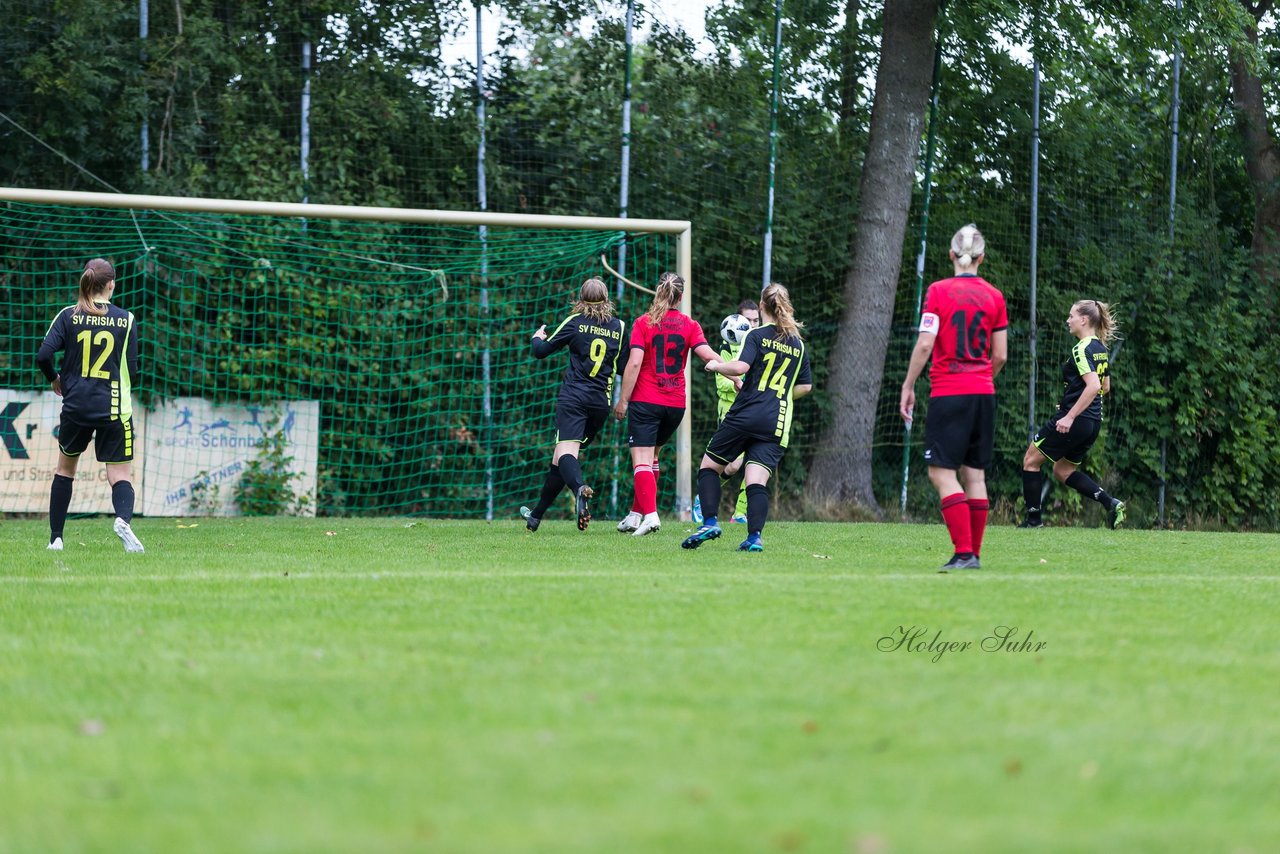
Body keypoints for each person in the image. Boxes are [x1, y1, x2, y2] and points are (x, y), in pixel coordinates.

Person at [899, 225, 1008, 572]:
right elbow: (1001, 355)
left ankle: (963, 553)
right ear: (982, 258)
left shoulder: (937, 291)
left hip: (950, 391)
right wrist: (981, 379)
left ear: (951, 255)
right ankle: (973, 555)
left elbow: (927, 342)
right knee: (974, 476)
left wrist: (909, 384)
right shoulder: (995, 296)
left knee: (941, 473)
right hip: (983, 393)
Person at [682, 283, 812, 553]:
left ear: (762, 306)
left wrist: (717, 365)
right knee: (756, 481)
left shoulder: (756, 335)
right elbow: (806, 387)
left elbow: (740, 367)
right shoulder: (797, 344)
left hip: (746, 414)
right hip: (777, 422)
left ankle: (708, 522)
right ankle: (754, 537)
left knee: (709, 467)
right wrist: (782, 397)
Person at [35, 258, 144, 553]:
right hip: (113, 408)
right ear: (111, 284)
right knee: (120, 476)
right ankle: (122, 519)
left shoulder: (69, 315)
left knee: (65, 470)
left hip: (76, 407)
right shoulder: (126, 319)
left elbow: (43, 356)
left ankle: (56, 538)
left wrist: (55, 379)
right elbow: (132, 371)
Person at [613, 272, 719, 536]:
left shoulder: (643, 322)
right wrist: (736, 374)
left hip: (647, 401)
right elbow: (707, 355)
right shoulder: (690, 325)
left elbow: (635, 363)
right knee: (654, 458)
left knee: (641, 461)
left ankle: (650, 515)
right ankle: (636, 514)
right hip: (675, 405)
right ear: (680, 297)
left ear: (657, 292)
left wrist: (623, 400)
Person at [520, 278, 626, 532]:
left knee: (567, 454)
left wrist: (537, 337)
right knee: (560, 458)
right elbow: (623, 367)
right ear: (607, 298)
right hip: (600, 403)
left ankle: (579, 489)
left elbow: (541, 351)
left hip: (574, 399)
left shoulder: (576, 322)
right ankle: (535, 516)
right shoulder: (619, 327)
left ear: (580, 298)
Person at [1019, 300, 1125, 529]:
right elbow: (1105, 387)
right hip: (1093, 422)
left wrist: (1070, 415)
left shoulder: (1081, 348)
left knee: (1030, 460)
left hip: (1076, 420)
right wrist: (1073, 404)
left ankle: (1033, 521)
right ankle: (1110, 502)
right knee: (1063, 470)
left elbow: (1092, 386)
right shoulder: (1100, 348)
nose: (1068, 320)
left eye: (1071, 316)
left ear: (1084, 320)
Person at [693, 298, 761, 526]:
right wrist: (739, 381)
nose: (751, 325)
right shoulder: (727, 346)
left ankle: (740, 513)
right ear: (736, 321)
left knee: (753, 462)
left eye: (755, 320)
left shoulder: (761, 343)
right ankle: (702, 498)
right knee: (732, 464)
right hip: (731, 410)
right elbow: (722, 383)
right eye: (747, 320)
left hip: (755, 411)